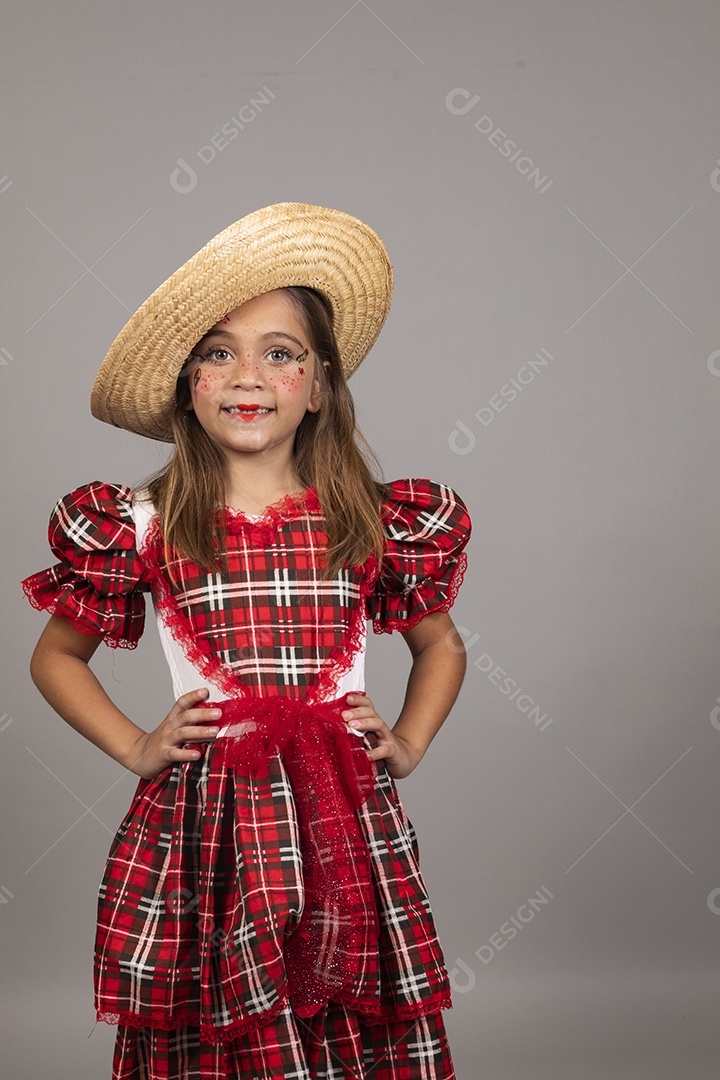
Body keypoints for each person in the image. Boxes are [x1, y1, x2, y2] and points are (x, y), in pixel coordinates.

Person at [22, 203, 472, 1080]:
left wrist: (409, 742)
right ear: (187, 382)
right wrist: (137, 746)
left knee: (349, 1000)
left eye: (279, 352)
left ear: (321, 380)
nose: (247, 376)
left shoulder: (372, 523)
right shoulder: (145, 525)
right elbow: (54, 657)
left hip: (341, 816)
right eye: (217, 353)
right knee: (216, 1008)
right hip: (211, 822)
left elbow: (442, 644)